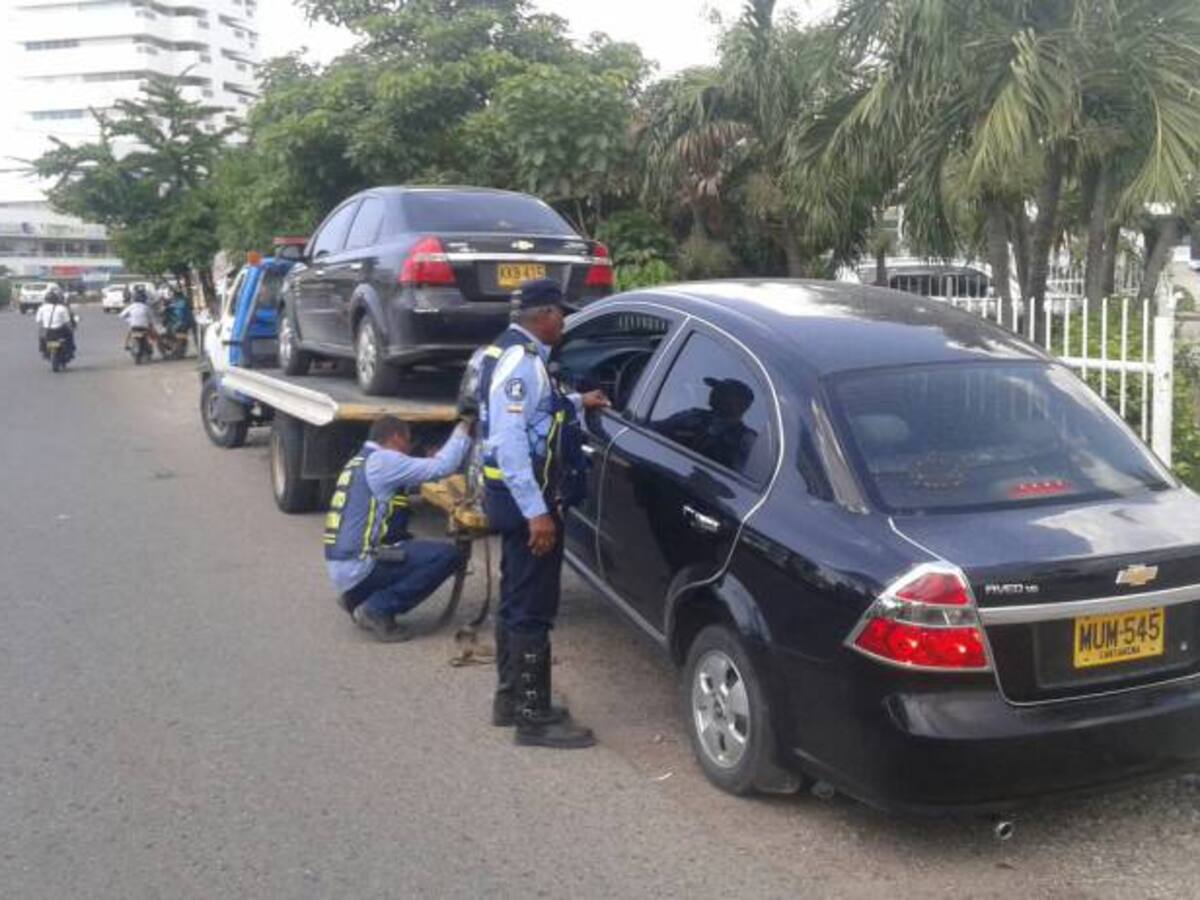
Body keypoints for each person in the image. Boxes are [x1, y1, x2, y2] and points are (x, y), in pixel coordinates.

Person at [479, 278, 610, 749]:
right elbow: (511, 441)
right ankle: (533, 718)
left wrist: (577, 402)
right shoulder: (522, 363)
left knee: (516, 599)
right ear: (545, 314)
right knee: (534, 609)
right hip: (524, 500)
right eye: (561, 313)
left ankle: (511, 700)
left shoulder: (515, 353)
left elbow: (537, 413)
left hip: (512, 498)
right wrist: (538, 513)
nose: (565, 322)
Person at [325, 415, 472, 642]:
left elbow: (410, 478)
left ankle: (356, 596)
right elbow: (444, 466)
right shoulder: (384, 461)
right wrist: (464, 429)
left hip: (343, 565)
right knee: (447, 556)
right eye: (407, 442)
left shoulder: (359, 461)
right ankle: (378, 608)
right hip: (359, 565)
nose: (408, 449)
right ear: (395, 437)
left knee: (406, 543)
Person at [35, 287, 77, 362]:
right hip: (59, 330)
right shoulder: (62, 308)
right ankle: (70, 350)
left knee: (41, 336)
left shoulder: (41, 308)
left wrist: (43, 327)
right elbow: (67, 322)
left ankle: (44, 351)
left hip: (47, 330)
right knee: (70, 334)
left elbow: (38, 321)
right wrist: (71, 328)